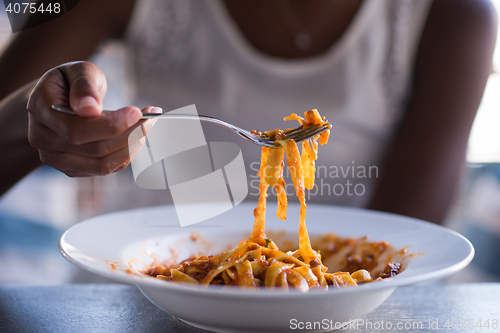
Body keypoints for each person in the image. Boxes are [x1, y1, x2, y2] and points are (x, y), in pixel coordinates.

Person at [0, 0, 496, 224]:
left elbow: (402, 246)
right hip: (135, 297)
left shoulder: (456, 15)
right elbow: (26, 109)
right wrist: (34, 122)